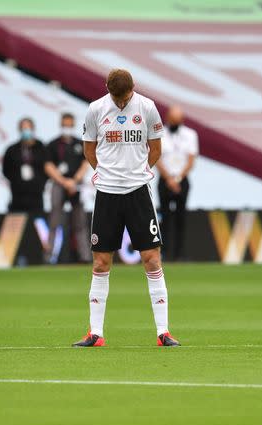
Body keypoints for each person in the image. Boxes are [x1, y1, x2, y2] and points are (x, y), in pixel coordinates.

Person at [74, 68, 179, 347]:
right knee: (100, 262)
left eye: (125, 97)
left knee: (152, 259)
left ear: (133, 89)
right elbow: (88, 149)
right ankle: (95, 333)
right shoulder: (96, 109)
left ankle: (163, 332)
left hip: (138, 193)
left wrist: (141, 171)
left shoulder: (147, 107)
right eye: (116, 98)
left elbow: (155, 148)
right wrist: (103, 173)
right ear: (108, 90)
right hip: (107, 193)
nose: (121, 103)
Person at [44, 112, 91, 263]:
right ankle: (49, 257)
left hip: (76, 186)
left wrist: (75, 180)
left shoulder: (79, 143)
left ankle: (85, 257)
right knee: (54, 221)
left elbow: (86, 162)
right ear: (61, 125)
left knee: (80, 223)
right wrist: (64, 182)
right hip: (59, 184)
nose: (67, 128)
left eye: (70, 125)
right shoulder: (53, 144)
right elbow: (48, 166)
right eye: (65, 125)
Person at [156, 105, 198, 261]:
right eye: (172, 120)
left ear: (182, 120)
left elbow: (191, 160)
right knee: (164, 217)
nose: (175, 122)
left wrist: (178, 179)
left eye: (177, 120)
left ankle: (180, 254)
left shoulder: (190, 135)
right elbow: (156, 158)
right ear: (167, 118)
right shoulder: (159, 133)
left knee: (181, 217)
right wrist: (168, 178)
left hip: (182, 179)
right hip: (165, 179)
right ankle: (165, 253)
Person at [2, 118, 48, 212]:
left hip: (36, 194)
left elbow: (48, 167)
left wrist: (40, 182)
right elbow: (6, 170)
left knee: (36, 221)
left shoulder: (41, 147)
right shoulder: (12, 149)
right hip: (18, 195)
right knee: (17, 221)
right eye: (23, 128)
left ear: (33, 129)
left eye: (28, 127)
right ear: (19, 130)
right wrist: (16, 180)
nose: (26, 130)